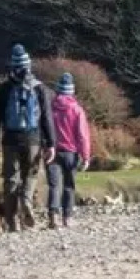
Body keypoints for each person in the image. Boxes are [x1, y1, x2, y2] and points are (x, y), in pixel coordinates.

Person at [0, 44, 57, 231]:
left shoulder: (4, 89)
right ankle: (26, 200)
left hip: (10, 139)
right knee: (31, 175)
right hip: (33, 139)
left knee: (10, 179)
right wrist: (51, 144)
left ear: (12, 65)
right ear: (29, 66)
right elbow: (47, 118)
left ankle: (11, 223)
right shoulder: (40, 88)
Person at [46, 72, 92, 229]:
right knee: (69, 186)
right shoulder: (77, 110)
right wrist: (86, 156)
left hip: (52, 151)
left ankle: (53, 216)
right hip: (70, 153)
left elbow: (44, 129)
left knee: (53, 185)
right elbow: (82, 135)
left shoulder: (50, 108)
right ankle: (68, 217)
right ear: (72, 91)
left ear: (58, 90)